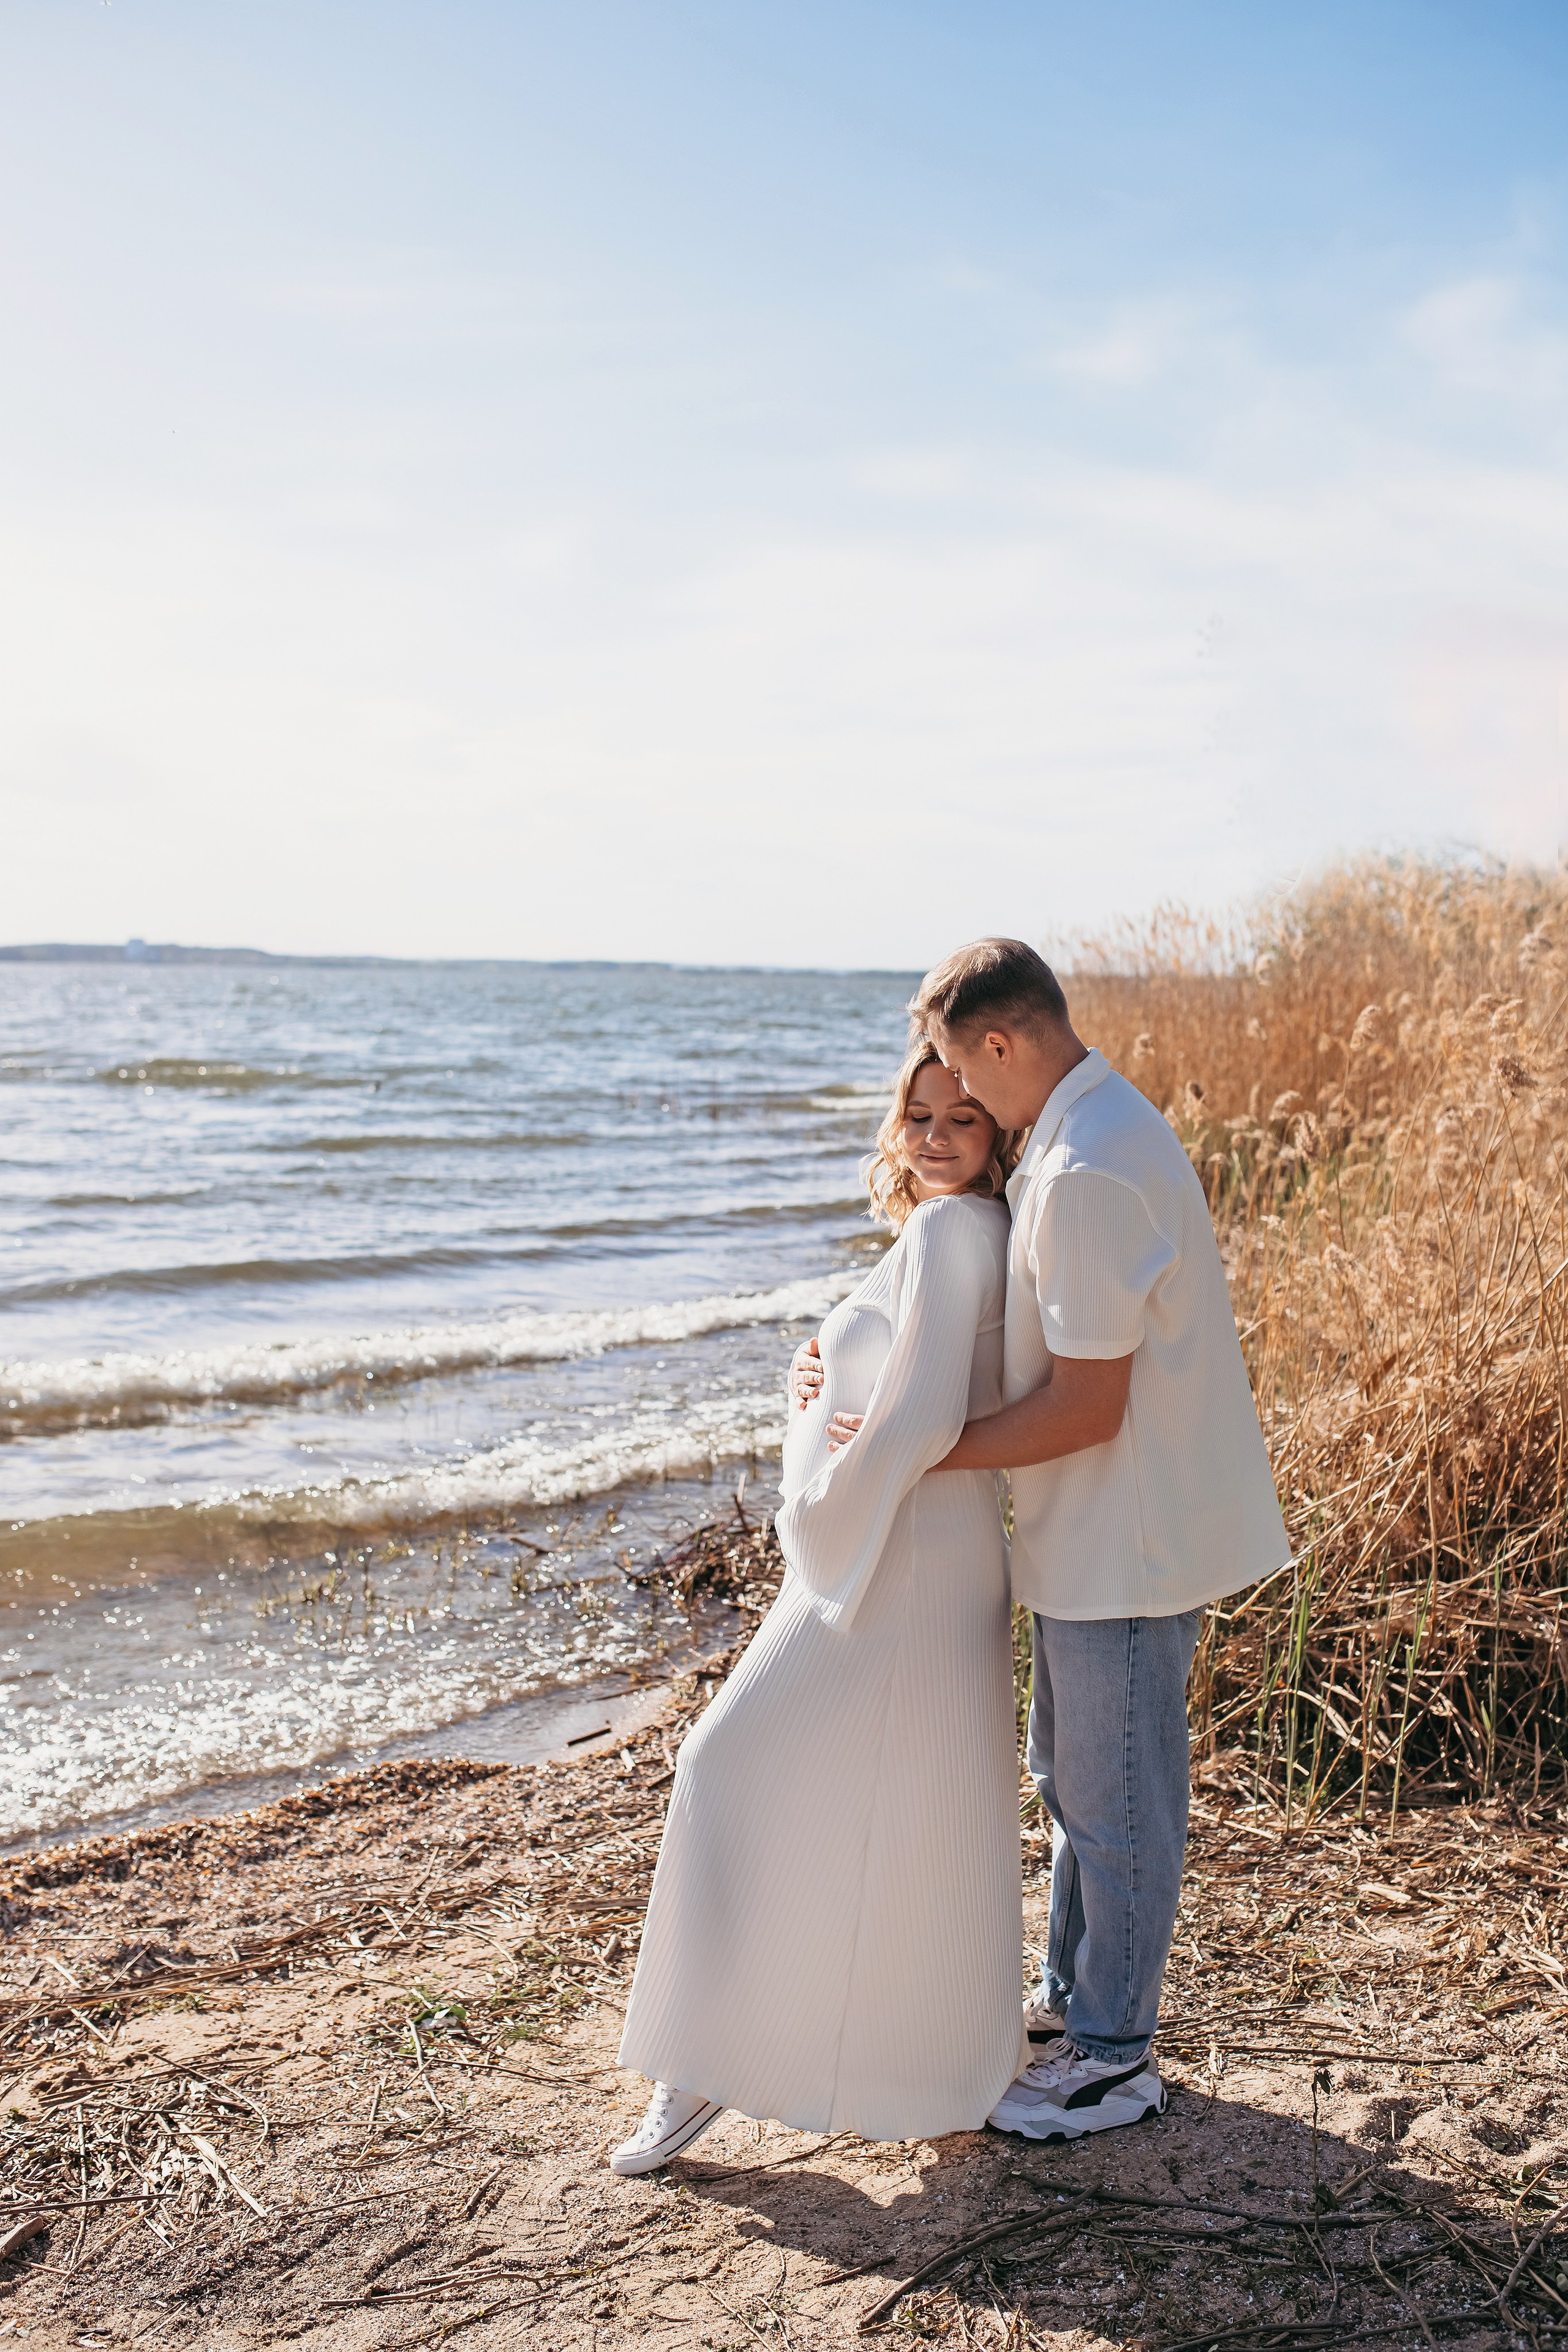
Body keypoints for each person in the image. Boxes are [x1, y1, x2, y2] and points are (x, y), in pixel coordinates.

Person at [810, 939, 1289, 2144]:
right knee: (1075, 1786)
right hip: (1096, 1532)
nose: (957, 1098)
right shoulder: (1091, 1129)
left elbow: (1084, 1405)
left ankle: (1114, 2059)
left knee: (1117, 1801)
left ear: (998, 1045)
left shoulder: (1079, 1171)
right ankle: (1078, 2006)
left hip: (1124, 1544)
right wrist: (856, 1352)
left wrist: (915, 1450)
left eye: (957, 1068)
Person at [609, 1044, 1025, 2176]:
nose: (935, 1136)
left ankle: (697, 2069)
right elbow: (901, 1389)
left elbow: (924, 1414)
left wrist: (813, 1519)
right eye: (920, 1115)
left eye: (964, 1120)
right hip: (923, 1554)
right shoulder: (956, 1231)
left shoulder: (952, 1231)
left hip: (892, 1558)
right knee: (916, 1809)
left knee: (723, 1761)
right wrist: (818, 1375)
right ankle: (943, 2064)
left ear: (1000, 1137)